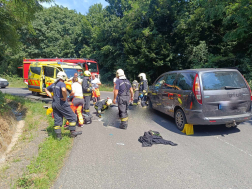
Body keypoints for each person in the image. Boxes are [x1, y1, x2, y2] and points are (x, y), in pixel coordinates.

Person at [45, 72, 82, 140]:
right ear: (63, 77)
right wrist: (65, 97)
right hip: (61, 103)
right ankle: (73, 132)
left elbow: (46, 89)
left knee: (58, 120)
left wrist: (51, 96)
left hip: (54, 103)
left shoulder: (54, 84)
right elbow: (63, 90)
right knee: (73, 117)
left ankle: (58, 136)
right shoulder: (62, 83)